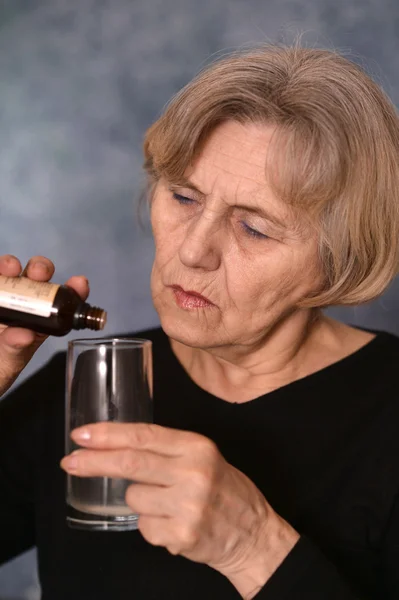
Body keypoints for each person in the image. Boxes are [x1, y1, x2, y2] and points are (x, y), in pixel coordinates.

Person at [1, 42, 399, 600]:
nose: (192, 251)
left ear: (339, 264)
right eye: (184, 197)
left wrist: (253, 546)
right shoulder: (84, 386)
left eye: (254, 229)